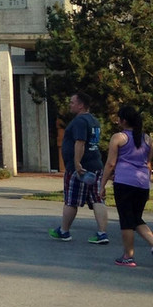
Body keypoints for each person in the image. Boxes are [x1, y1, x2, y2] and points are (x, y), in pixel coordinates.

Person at [49, 92, 110, 244]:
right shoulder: (94, 120)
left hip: (80, 169)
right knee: (97, 199)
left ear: (81, 105)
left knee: (71, 200)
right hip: (96, 165)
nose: (70, 105)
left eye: (72, 102)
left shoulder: (79, 121)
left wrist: (77, 163)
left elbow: (80, 142)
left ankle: (64, 231)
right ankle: (102, 233)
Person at [99, 105, 153, 266]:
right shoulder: (148, 139)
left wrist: (102, 185)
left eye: (119, 119)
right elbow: (149, 163)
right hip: (142, 183)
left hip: (124, 182)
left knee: (126, 220)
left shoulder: (119, 137)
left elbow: (110, 163)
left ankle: (128, 255)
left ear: (123, 121)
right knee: (136, 218)